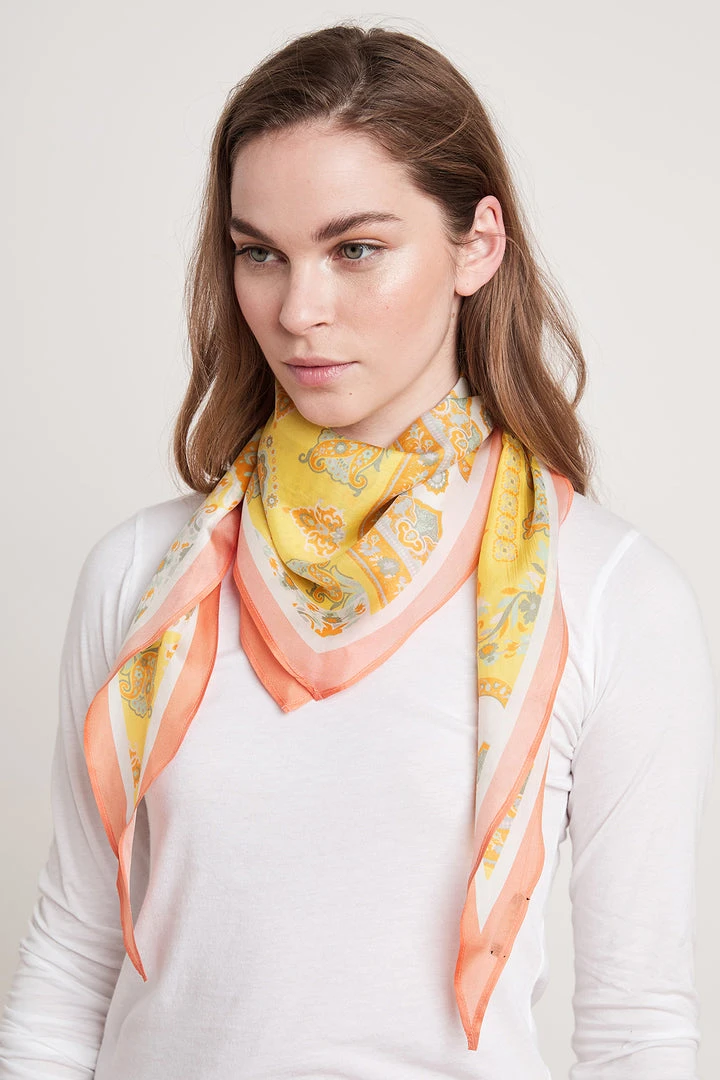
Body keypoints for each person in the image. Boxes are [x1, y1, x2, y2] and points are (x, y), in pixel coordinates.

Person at [0, 21, 715, 1080]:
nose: (298, 311)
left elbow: (635, 1030)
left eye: (356, 250)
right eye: (260, 253)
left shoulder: (609, 592)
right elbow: (72, 965)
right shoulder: (142, 573)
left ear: (477, 245)